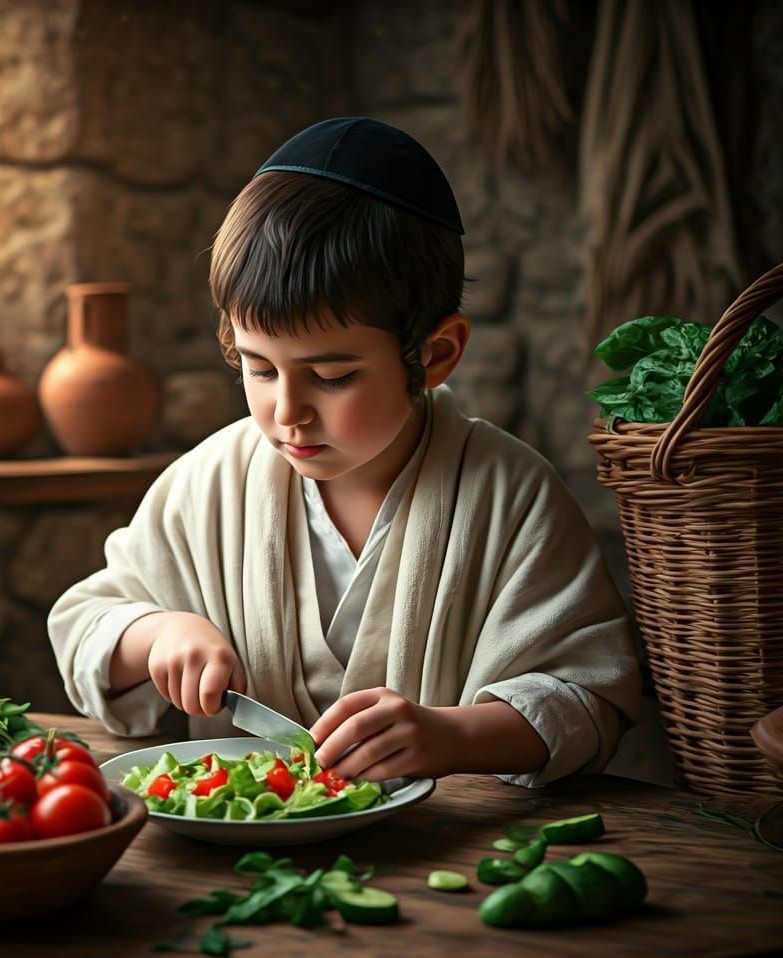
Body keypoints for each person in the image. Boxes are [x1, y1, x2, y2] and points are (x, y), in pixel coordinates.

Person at [48, 116, 642, 787]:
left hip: (454, 856)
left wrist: (452, 737)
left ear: (435, 353)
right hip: (240, 862)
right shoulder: (206, 486)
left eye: (332, 377)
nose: (287, 410)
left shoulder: (510, 496)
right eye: (259, 368)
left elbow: (590, 696)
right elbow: (85, 624)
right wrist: (156, 634)